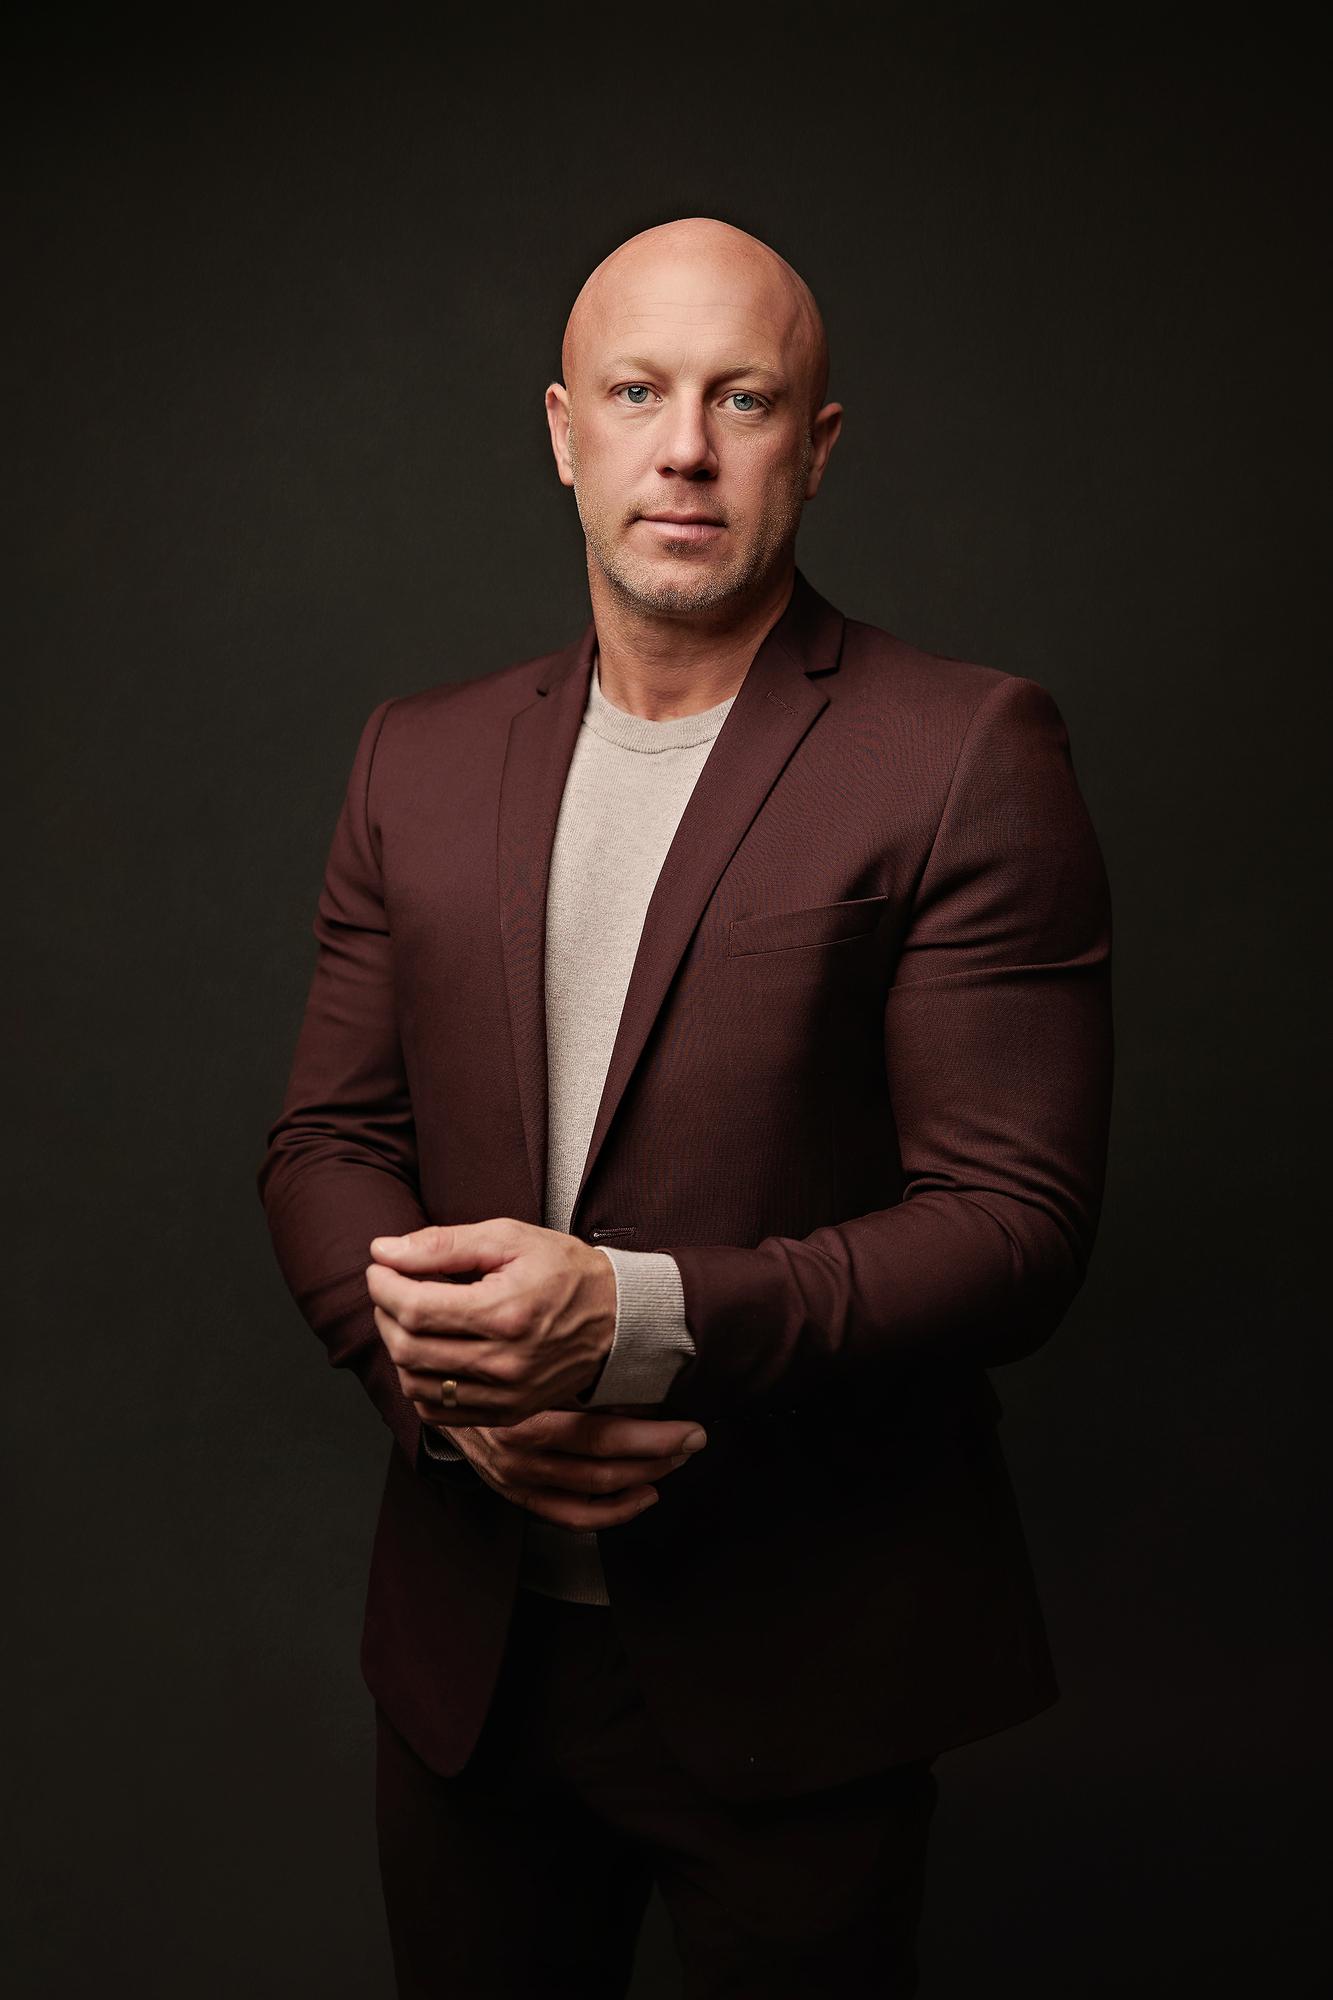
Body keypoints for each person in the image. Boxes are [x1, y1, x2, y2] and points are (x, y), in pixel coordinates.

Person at [257, 215, 1114, 1998]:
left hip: (800, 1677)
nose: (685, 448)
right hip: (467, 1673)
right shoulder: (412, 757)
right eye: (640, 393)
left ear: (816, 444)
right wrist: (450, 1397)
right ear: (563, 429)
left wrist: (630, 1321)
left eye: (743, 398)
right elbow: (327, 1144)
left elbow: (1014, 1232)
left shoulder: (962, 751)